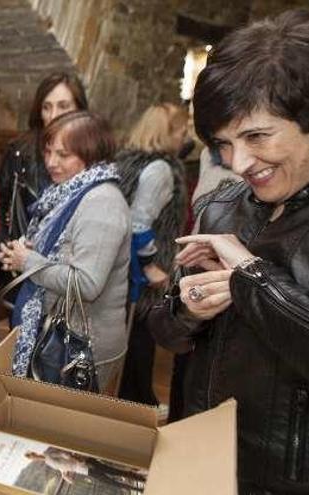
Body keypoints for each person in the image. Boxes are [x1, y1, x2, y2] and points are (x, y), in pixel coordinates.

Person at [148, 10, 309, 494]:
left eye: (257, 136)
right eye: (223, 144)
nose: (238, 163)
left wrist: (250, 274)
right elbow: (164, 328)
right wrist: (186, 308)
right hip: (201, 467)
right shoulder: (222, 207)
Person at [0, 111, 130, 388]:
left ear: (91, 155)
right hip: (63, 335)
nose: (51, 162)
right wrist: (25, 255)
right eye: (48, 152)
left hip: (81, 345)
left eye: (63, 154)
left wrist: (29, 261)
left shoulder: (102, 202)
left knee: (64, 428)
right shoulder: (70, 191)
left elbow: (87, 283)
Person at [114, 102, 190, 406]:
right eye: (182, 130)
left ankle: (134, 400)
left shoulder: (127, 162)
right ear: (165, 133)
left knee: (133, 341)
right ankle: (139, 404)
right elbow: (139, 223)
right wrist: (150, 267)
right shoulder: (160, 170)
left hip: (122, 269)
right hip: (139, 274)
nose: (185, 137)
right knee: (140, 342)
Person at [0, 72, 89, 242]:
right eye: (46, 107)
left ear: (79, 109)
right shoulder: (20, 151)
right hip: (18, 259)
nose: (53, 115)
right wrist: (5, 244)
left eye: (63, 106)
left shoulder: (91, 153)